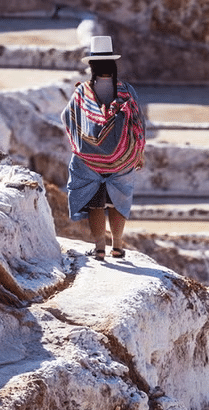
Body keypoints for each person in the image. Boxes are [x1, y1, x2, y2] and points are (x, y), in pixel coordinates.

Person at [61, 35, 146, 262]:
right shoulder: (126, 91)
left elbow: (66, 117)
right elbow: (138, 123)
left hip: (90, 160)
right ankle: (117, 247)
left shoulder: (83, 92)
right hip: (121, 159)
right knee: (119, 197)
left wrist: (81, 142)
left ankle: (99, 248)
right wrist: (138, 152)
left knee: (94, 200)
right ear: (113, 64)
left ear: (92, 66)